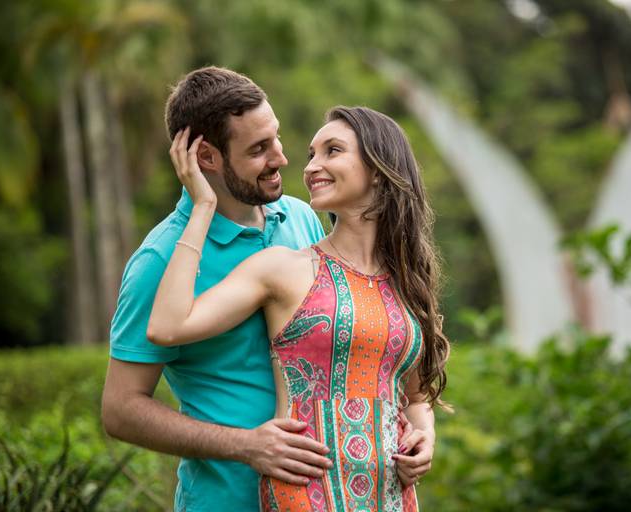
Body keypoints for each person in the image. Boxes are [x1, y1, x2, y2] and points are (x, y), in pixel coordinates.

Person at [147, 105, 449, 511]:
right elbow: (167, 327)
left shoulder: (407, 280)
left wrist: (425, 435)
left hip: (391, 498)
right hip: (306, 493)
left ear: (378, 169)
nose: (311, 167)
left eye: (332, 151)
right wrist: (203, 204)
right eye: (312, 155)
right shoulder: (284, 268)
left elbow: (414, 396)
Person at [101, 66, 334, 512]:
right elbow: (120, 409)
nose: (281, 159)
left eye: (276, 138)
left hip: (316, 499)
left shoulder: (301, 217)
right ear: (206, 158)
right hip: (225, 501)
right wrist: (246, 445)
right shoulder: (160, 261)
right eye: (259, 149)